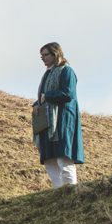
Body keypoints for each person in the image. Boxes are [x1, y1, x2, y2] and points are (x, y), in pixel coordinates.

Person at [34, 42, 84, 188]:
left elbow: (68, 94)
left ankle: (71, 189)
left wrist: (47, 96)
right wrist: (37, 105)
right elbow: (42, 96)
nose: (42, 58)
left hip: (63, 118)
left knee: (63, 155)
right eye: (41, 56)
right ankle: (58, 190)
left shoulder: (66, 71)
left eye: (45, 55)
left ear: (55, 54)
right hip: (48, 121)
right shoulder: (48, 73)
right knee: (49, 158)